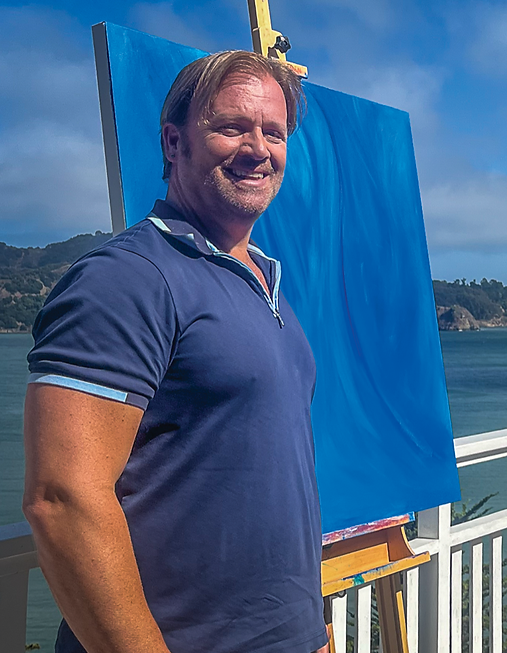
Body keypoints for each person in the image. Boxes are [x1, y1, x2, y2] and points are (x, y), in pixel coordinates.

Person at [22, 51, 328, 653]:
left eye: (274, 132)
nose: (257, 148)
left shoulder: (264, 283)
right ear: (173, 141)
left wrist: (309, 629)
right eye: (231, 126)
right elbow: (62, 500)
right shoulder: (128, 278)